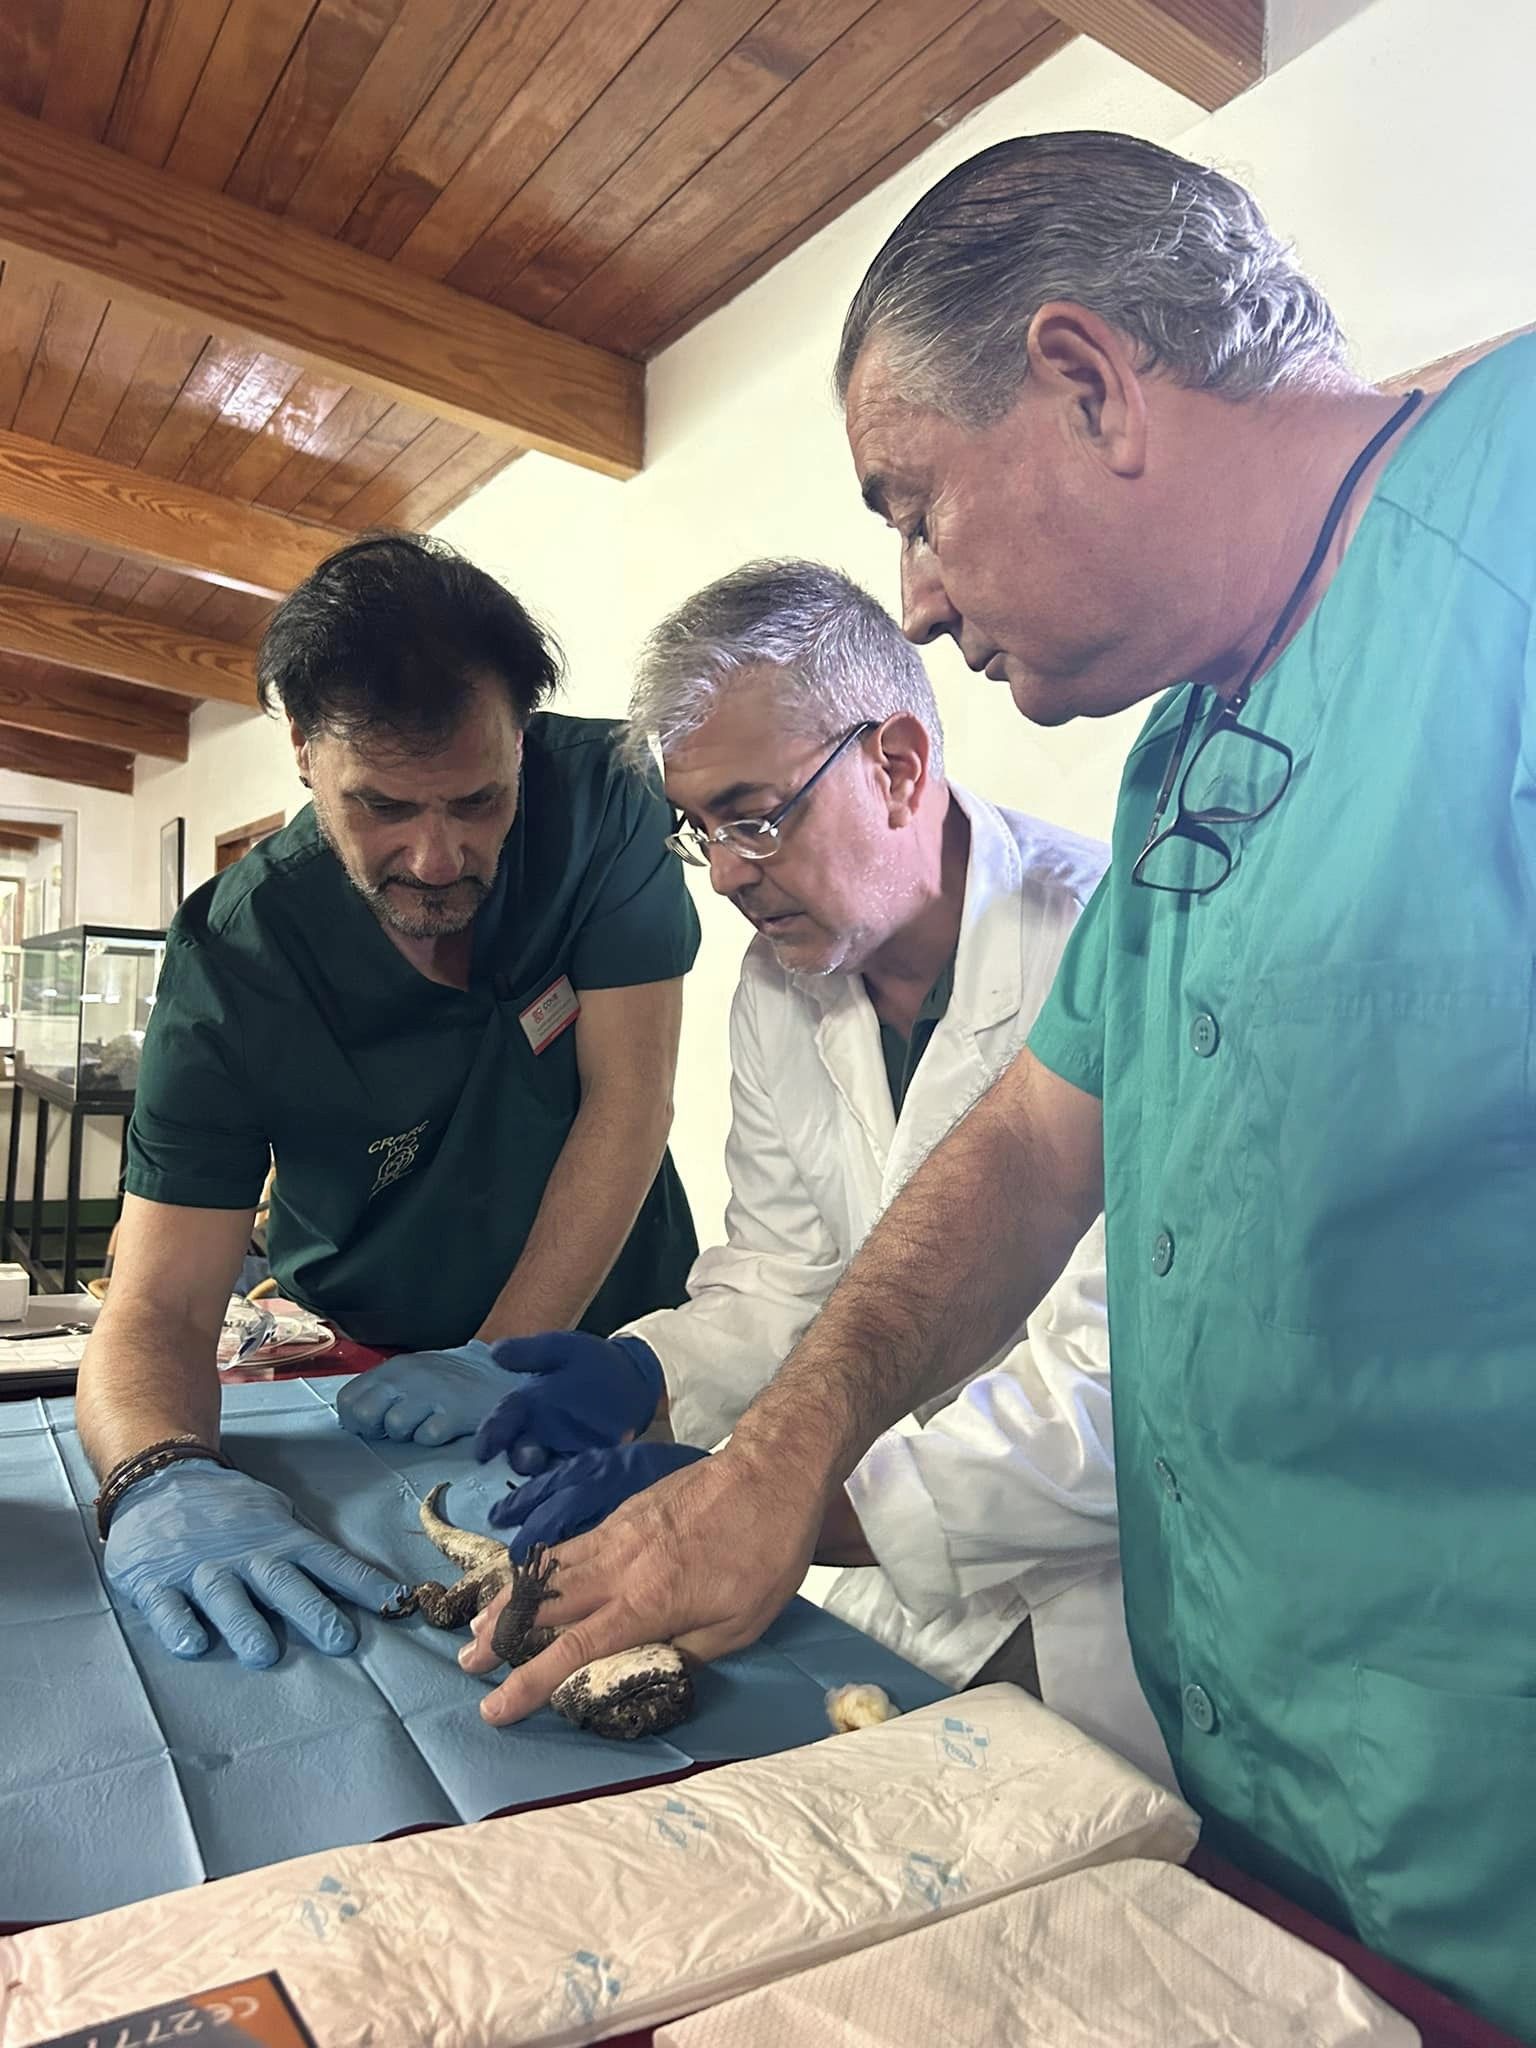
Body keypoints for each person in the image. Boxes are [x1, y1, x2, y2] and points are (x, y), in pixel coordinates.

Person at [460, 135, 1536, 2033]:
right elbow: (1043, 1138)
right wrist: (760, 1461)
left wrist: (788, 1476)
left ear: (1090, 382)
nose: (923, 600)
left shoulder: (1513, 529)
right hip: (1274, 1808)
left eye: (917, 508)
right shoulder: (1192, 750)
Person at [466, 559, 1168, 1776]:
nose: (729, 872)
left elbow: (1119, 1388)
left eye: (755, 814)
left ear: (896, 764)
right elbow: (789, 1275)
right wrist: (648, 1373)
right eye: (702, 831)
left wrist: (778, 1495)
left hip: (1079, 1600)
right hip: (859, 1589)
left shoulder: (1108, 942)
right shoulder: (783, 985)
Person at [78, 534, 699, 1672]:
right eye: (382, 808)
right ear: (304, 751)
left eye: (478, 799)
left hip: (608, 1345)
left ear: (523, 738)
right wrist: (156, 1468)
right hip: (369, 1370)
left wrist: (505, 1351)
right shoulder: (237, 956)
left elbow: (631, 1098)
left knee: (655, 1651)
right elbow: (159, 1300)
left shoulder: (603, 800)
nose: (436, 856)